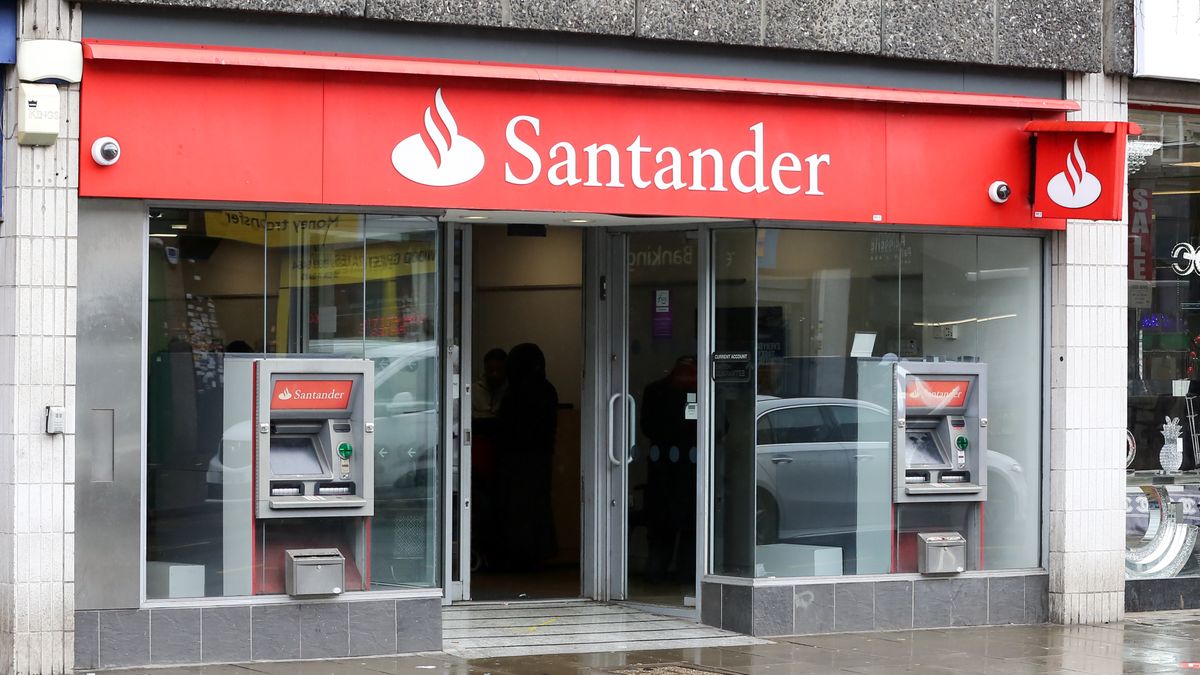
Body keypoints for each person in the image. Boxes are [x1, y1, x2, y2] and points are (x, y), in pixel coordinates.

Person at [496, 343, 559, 571]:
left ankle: (519, 554)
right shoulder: (547, 390)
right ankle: (535, 553)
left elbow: (508, 427)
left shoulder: (516, 393)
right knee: (536, 507)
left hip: (517, 458)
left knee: (516, 507)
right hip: (540, 458)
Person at [640, 356, 698, 584]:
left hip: (666, 470)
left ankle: (661, 576)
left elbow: (648, 427)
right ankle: (684, 577)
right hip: (683, 470)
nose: (686, 377)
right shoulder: (702, 391)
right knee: (684, 528)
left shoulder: (656, 391)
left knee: (665, 529)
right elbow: (720, 426)